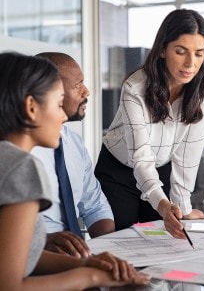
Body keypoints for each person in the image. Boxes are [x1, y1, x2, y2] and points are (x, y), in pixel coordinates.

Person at [0, 52, 149, 290]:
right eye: (58, 104)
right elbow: (9, 285)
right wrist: (92, 277)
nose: (62, 116)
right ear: (31, 107)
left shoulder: (8, 159)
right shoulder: (21, 167)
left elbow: (17, 255)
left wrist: (86, 264)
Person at [95, 9, 204, 238]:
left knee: (162, 243)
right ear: (162, 49)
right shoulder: (135, 88)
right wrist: (162, 205)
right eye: (180, 52)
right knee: (123, 243)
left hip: (162, 169)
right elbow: (140, 158)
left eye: (199, 54)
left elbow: (190, 147)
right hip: (120, 171)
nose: (190, 64)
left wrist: (183, 206)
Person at [31, 52, 115, 258]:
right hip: (36, 256)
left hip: (78, 256)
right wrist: (41, 242)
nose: (87, 91)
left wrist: (111, 249)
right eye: (78, 85)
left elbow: (95, 205)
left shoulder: (74, 143)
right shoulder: (19, 151)